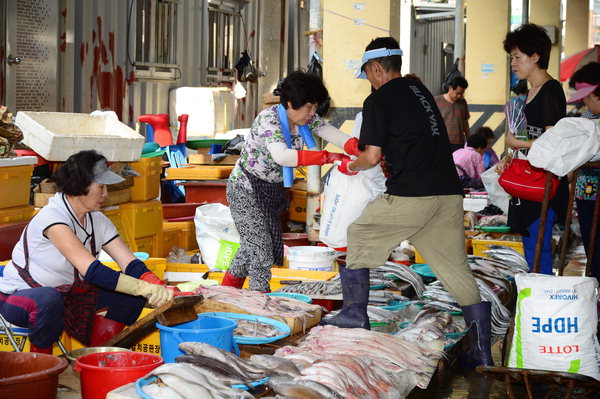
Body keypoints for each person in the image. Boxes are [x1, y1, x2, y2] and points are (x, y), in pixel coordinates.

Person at [321, 37, 493, 367]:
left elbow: (370, 157)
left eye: (369, 74)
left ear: (375, 69)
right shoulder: (422, 93)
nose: (369, 81)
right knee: (455, 268)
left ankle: (355, 314)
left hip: (412, 193)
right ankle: (482, 351)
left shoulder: (378, 100)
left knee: (358, 233)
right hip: (447, 194)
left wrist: (348, 165)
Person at [0, 150, 174, 353]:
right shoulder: (53, 218)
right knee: (49, 300)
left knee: (130, 296)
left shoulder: (97, 219)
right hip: (21, 297)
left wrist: (156, 284)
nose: (105, 194)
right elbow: (93, 271)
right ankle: (43, 366)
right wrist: (143, 288)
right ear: (81, 186)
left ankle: (102, 353)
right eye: (100, 187)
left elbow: (129, 263)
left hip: (69, 293)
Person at [222, 71, 358, 292]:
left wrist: (356, 147)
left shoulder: (305, 120)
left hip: (269, 192)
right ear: (289, 103)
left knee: (250, 247)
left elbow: (333, 133)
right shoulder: (269, 119)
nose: (312, 113)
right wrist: (327, 157)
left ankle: (225, 293)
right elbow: (282, 156)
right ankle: (261, 302)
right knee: (261, 250)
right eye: (308, 107)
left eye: (315, 107)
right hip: (245, 190)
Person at [496, 23, 567, 275]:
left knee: (539, 246)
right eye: (511, 57)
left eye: (517, 57)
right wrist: (509, 156)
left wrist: (518, 144)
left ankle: (542, 300)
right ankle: (534, 294)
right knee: (529, 242)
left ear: (535, 56)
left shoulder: (551, 90)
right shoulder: (529, 92)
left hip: (544, 182)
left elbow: (553, 141)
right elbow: (529, 135)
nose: (513, 63)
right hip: (529, 178)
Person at [569, 62, 600, 281]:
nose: (584, 103)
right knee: (593, 244)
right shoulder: (586, 117)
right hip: (587, 194)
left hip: (591, 193)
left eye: (587, 97)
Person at [435, 75, 471, 152]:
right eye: (457, 93)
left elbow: (465, 122)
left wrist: (469, 138)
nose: (459, 96)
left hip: (458, 144)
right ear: (450, 88)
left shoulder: (463, 102)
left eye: (462, 93)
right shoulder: (436, 101)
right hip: (441, 142)